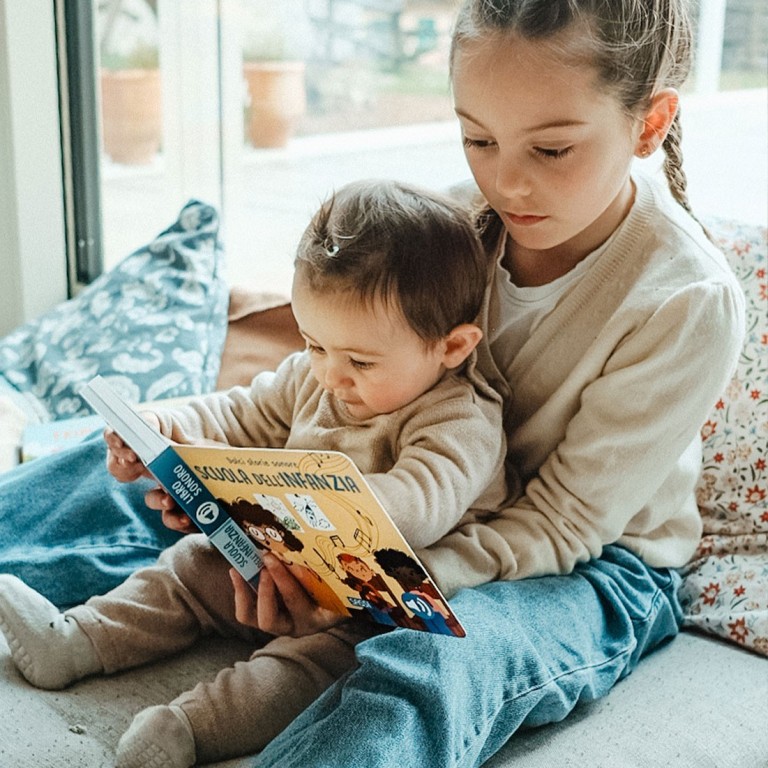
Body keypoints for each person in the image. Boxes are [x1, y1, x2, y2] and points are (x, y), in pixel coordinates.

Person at [0, 1, 747, 766]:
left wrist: (358, 590)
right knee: (126, 468)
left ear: (649, 124)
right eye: (477, 138)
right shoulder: (456, 224)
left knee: (437, 658)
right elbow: (309, 382)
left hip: (587, 563)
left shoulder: (684, 300)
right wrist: (187, 444)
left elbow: (561, 523)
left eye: (552, 150)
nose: (507, 182)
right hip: (388, 518)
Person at [0, 179, 510, 768]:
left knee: (308, 670)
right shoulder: (314, 376)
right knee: (186, 568)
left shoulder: (461, 418)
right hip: (275, 567)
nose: (330, 376)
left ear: (452, 347)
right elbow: (239, 410)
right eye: (315, 344)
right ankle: (77, 641)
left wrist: (284, 500)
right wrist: (163, 422)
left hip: (371, 609)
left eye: (360, 361)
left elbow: (419, 503)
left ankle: (186, 730)